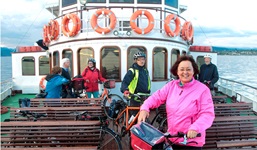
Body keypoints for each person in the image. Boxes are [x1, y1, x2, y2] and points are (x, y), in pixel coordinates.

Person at [138, 55, 215, 149]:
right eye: (182, 69)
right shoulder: (171, 86)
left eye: (188, 69)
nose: (185, 72)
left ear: (194, 71)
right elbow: (156, 97)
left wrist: (195, 128)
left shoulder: (202, 90)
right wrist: (145, 108)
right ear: (177, 71)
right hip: (172, 139)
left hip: (191, 142)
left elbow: (207, 114)